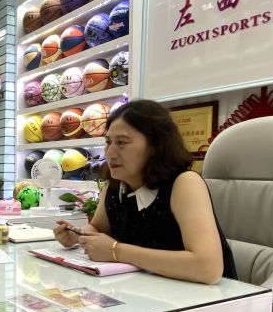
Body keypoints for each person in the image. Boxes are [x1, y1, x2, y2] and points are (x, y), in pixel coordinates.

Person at [53, 99, 236, 285]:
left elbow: (208, 268)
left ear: (155, 146)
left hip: (208, 297)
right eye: (108, 142)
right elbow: (98, 228)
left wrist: (116, 251)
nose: (110, 153)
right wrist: (78, 235)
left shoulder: (184, 183)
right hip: (147, 288)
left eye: (121, 142)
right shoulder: (115, 185)